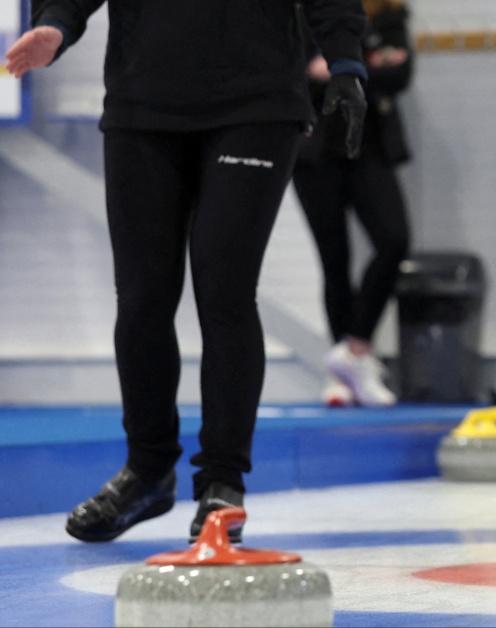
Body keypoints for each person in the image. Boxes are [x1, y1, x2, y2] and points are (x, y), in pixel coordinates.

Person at [5, 0, 367, 543]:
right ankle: (147, 472)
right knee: (142, 297)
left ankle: (222, 481)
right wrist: (56, 25)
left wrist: (345, 64)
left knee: (225, 289)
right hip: (142, 102)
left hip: (256, 102)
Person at [293, 0, 414, 408]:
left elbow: (400, 71)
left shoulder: (389, 12)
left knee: (394, 239)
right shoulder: (303, 10)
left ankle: (355, 349)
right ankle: (340, 369)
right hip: (316, 150)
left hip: (369, 145)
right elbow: (299, 69)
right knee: (334, 257)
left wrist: (344, 67)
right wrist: (368, 62)